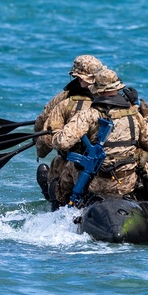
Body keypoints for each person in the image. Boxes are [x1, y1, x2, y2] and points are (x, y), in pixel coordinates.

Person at [48, 65, 148, 205]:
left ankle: (60, 202)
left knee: (70, 166)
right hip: (127, 182)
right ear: (118, 89)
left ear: (97, 91)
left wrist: (56, 131)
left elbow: (62, 142)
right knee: (144, 166)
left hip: (98, 183)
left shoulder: (89, 114)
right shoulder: (134, 115)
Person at [33, 54, 105, 200]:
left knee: (55, 166)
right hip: (106, 166)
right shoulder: (114, 99)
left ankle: (53, 196)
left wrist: (39, 147)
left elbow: (45, 135)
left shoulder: (64, 101)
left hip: (73, 164)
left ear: (77, 78)